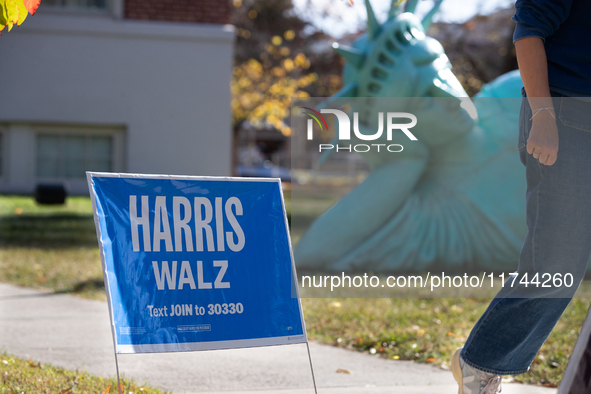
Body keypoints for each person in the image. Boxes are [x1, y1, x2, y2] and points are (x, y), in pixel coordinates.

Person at [452, 0, 591, 393]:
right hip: (565, 117)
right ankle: (481, 363)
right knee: (557, 260)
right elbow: (528, 31)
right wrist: (544, 115)